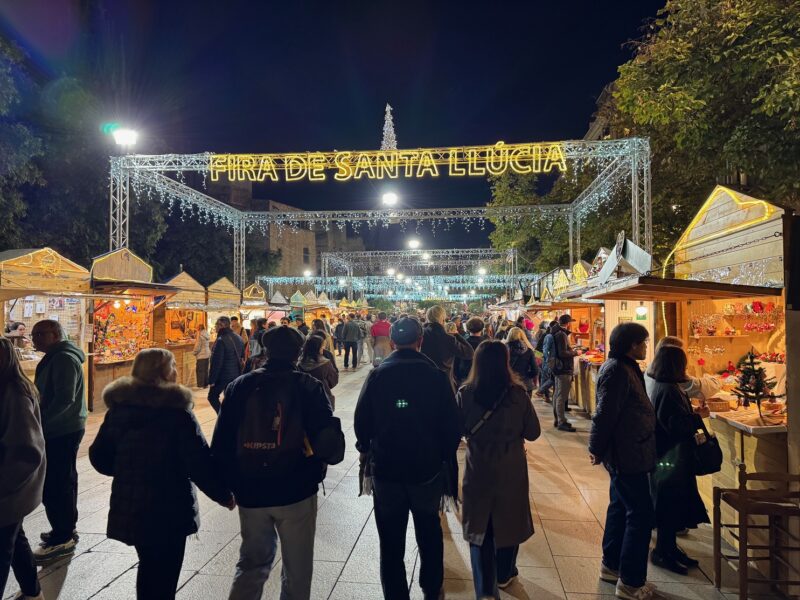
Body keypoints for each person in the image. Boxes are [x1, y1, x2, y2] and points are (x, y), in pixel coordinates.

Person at [89, 349, 234, 599]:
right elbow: (197, 460)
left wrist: (128, 470)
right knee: (164, 573)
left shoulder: (120, 408)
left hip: (132, 507)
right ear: (163, 372)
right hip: (169, 506)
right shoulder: (177, 412)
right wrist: (223, 494)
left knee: (147, 566)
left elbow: (99, 456)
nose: (177, 370)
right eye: (173, 365)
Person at [212, 325, 341, 600]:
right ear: (297, 352)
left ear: (267, 350)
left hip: (250, 489)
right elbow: (329, 443)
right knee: (297, 570)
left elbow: (222, 442)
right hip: (296, 489)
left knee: (251, 564)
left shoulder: (240, 386)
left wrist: (225, 486)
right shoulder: (309, 386)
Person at [355, 317, 461, 600]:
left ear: (392, 343)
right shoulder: (436, 376)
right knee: (429, 532)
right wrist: (441, 453)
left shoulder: (378, 375)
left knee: (390, 540)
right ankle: (431, 586)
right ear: (420, 342)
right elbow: (452, 426)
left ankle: (396, 593)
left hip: (387, 469)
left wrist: (367, 446)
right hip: (426, 470)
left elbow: (361, 421)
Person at [457, 340, 541, 597]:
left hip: (479, 465)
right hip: (511, 466)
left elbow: (456, 429)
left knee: (480, 525)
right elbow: (533, 432)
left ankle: (485, 588)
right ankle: (505, 573)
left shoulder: (466, 392)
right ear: (505, 362)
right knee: (509, 518)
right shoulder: (518, 394)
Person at [589, 322, 657, 600]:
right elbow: (605, 413)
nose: (645, 347)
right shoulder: (617, 370)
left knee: (619, 506)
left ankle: (611, 565)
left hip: (629, 449)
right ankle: (631, 582)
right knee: (640, 515)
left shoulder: (624, 367)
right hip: (627, 453)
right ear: (632, 345)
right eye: (643, 342)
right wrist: (596, 446)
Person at [646, 345, 709, 575]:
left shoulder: (667, 387)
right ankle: (663, 552)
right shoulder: (669, 390)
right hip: (669, 458)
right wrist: (696, 417)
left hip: (669, 457)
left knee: (671, 505)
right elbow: (674, 425)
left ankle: (670, 548)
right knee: (668, 505)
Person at [30, 319, 86, 562]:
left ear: (55, 334)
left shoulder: (63, 358)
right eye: (33, 335)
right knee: (63, 479)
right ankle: (64, 529)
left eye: (39, 334)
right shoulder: (59, 356)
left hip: (61, 430)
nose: (34, 339)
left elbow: (65, 399)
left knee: (56, 482)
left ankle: (62, 535)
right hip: (63, 427)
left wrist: (41, 425)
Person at [0, 337, 45, 600]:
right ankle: (33, 591)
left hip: (10, 490)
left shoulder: (15, 394)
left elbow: (26, 452)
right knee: (14, 540)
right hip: (9, 490)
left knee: (3, 545)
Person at [643, 336, 721, 401]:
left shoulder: (652, 369)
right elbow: (703, 388)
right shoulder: (671, 376)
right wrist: (718, 381)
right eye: (682, 353)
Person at [421, 305, 474, 390]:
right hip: (444, 382)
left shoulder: (421, 335)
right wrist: (456, 334)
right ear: (442, 318)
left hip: (424, 380)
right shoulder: (447, 338)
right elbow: (469, 353)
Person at [208, 316, 245, 414]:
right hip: (236, 374)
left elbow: (217, 362)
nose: (215, 327)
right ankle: (229, 417)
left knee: (212, 397)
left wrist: (212, 380)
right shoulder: (238, 338)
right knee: (229, 397)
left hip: (223, 375)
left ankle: (223, 417)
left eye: (216, 324)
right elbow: (242, 356)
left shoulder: (221, 340)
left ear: (221, 325)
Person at [552, 314, 579, 432]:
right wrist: (575, 353)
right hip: (563, 369)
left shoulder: (557, 333)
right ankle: (561, 421)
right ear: (568, 323)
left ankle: (558, 419)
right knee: (561, 396)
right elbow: (562, 353)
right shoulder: (561, 335)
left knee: (558, 395)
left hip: (559, 369)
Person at [298, 333, 339, 409]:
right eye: (322, 345)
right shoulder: (325, 363)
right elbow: (334, 380)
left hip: (304, 398)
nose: (323, 348)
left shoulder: (299, 364)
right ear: (318, 347)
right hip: (323, 396)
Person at [505, 327, 538, 394]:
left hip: (509, 384)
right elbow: (535, 370)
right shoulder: (529, 351)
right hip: (525, 384)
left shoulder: (503, 349)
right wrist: (527, 376)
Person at [537, 321, 559, 403]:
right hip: (543, 357)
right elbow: (544, 349)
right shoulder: (548, 336)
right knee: (548, 377)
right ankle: (543, 392)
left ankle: (544, 394)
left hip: (542, 357)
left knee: (545, 376)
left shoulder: (547, 334)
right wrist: (547, 360)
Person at [193, 323, 211, 388]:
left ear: (199, 328)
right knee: (205, 370)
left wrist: (194, 352)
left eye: (197, 328)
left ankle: (200, 385)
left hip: (201, 354)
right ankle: (205, 384)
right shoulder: (206, 333)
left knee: (200, 370)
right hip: (207, 354)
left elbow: (198, 345)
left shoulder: (200, 335)